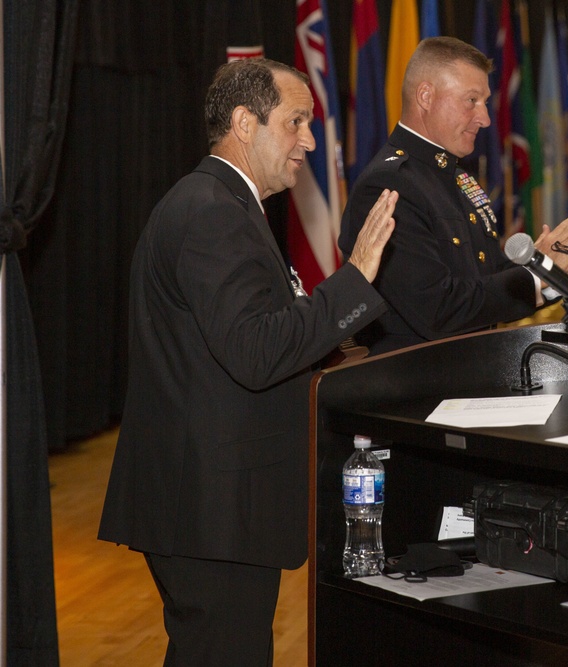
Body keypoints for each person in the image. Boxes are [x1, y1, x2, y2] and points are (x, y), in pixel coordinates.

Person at [98, 58, 398, 665]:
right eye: (296, 123)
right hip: (211, 511)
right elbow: (256, 353)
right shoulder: (212, 211)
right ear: (243, 122)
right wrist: (354, 280)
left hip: (215, 506)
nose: (310, 140)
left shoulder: (224, 203)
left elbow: (246, 337)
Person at [338, 36, 568, 355]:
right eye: (471, 100)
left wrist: (549, 267)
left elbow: (485, 280)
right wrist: (533, 277)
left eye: (485, 102)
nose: (485, 119)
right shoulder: (387, 185)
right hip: (418, 389)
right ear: (426, 96)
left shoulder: (457, 177)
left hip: (470, 372)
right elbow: (437, 309)